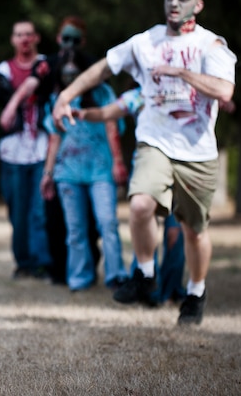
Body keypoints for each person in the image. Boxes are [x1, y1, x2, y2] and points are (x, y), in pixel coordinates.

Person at [52, 0, 236, 325]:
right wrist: (65, 96)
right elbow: (103, 69)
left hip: (197, 151)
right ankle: (145, 274)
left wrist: (181, 72)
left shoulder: (211, 45)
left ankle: (196, 292)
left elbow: (224, 90)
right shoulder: (144, 42)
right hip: (155, 141)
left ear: (198, 5)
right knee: (139, 204)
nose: (174, 3)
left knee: (194, 231)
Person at [0, 17, 115, 284]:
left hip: (91, 157)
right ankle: (60, 270)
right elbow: (29, 86)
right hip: (57, 152)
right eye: (66, 38)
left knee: (90, 222)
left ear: (82, 42)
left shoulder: (91, 67)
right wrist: (10, 107)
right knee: (56, 219)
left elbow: (108, 112)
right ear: (57, 39)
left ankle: (94, 271)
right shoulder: (47, 65)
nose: (70, 44)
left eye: (75, 40)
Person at [76, 87, 186, 304]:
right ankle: (147, 286)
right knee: (144, 218)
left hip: (182, 166)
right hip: (147, 166)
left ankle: (172, 288)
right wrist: (84, 113)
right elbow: (108, 113)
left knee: (175, 232)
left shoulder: (184, 90)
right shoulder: (138, 95)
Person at [34, 44, 128, 292]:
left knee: (107, 223)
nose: (70, 77)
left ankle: (116, 276)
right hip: (68, 172)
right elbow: (54, 139)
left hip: (100, 170)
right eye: (65, 73)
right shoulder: (58, 99)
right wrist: (48, 173)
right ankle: (79, 278)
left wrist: (118, 162)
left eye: (74, 72)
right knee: (75, 230)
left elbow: (112, 128)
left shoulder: (103, 93)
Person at [0, 20, 51, 280]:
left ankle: (42, 262)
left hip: (42, 146)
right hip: (13, 149)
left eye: (28, 34)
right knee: (18, 207)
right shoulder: (4, 71)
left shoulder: (47, 66)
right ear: (12, 40)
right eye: (19, 35)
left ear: (36, 37)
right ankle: (23, 262)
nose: (24, 39)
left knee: (40, 209)